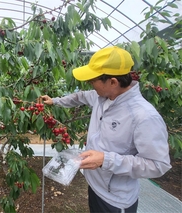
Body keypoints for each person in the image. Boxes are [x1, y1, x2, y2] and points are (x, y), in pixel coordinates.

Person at [41, 46, 172, 213]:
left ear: (112, 82)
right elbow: (79, 96)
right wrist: (55, 101)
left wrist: (105, 160)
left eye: (93, 80)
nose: (89, 84)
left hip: (115, 201)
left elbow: (158, 164)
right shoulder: (102, 96)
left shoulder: (143, 116)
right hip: (95, 186)